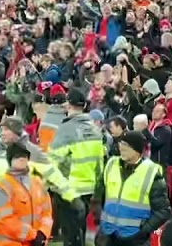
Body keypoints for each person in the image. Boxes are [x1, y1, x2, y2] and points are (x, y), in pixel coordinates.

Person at [95, 130, 170, 246]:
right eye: (121, 144)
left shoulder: (151, 173)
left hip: (134, 238)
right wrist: (99, 218)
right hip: (107, 234)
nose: (122, 148)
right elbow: (99, 195)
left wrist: (143, 230)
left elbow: (163, 211)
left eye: (127, 146)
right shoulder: (111, 164)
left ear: (137, 151)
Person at [49, 89, 102, 246]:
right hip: (88, 189)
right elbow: (99, 162)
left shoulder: (66, 129)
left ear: (67, 105)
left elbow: (53, 160)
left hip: (68, 188)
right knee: (79, 230)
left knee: (70, 234)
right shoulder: (95, 130)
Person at [0, 144, 55, 246]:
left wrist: (43, 233)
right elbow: (5, 221)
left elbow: (47, 213)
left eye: (24, 156)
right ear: (10, 160)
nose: (21, 159)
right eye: (17, 156)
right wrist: (34, 235)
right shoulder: (1, 187)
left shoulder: (38, 183)